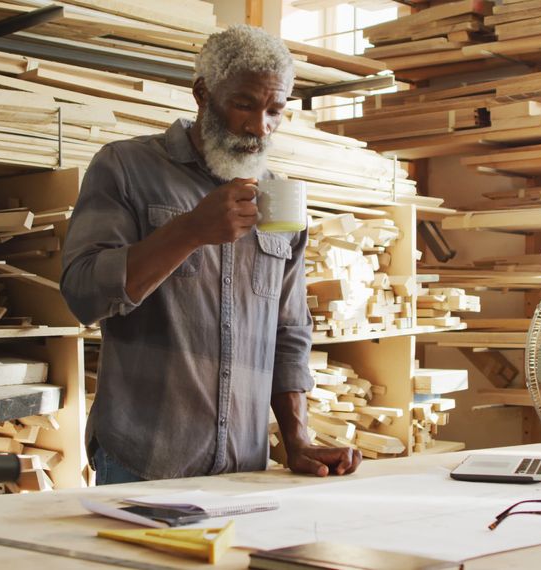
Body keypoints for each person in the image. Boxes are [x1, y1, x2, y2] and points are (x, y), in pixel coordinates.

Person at [60, 25, 361, 484]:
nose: (259, 127)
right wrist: (189, 231)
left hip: (244, 466)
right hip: (142, 460)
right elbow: (83, 294)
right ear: (202, 93)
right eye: (244, 103)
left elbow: (290, 332)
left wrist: (297, 439)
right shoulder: (125, 167)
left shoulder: (278, 198)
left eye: (275, 110)